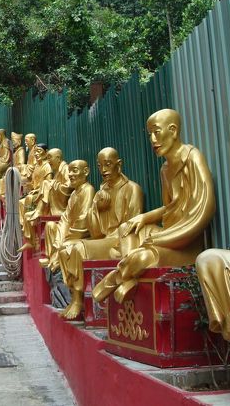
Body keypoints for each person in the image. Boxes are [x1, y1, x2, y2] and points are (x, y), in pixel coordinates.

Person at [93, 109, 216, 303]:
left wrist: (161, 239)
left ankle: (118, 277)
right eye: (149, 134)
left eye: (156, 132)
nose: (152, 139)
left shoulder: (192, 158)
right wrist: (144, 218)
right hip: (168, 233)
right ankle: (129, 277)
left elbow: (204, 209)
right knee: (127, 228)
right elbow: (169, 208)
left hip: (184, 242)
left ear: (173, 131)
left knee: (141, 257)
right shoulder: (165, 169)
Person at [56, 148, 143, 319]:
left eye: (108, 164)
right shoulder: (100, 193)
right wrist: (96, 208)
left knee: (78, 249)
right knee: (64, 248)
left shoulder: (132, 189)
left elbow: (131, 229)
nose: (103, 170)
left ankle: (78, 301)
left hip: (120, 241)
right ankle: (75, 298)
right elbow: (96, 234)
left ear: (119, 165)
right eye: (100, 166)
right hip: (104, 240)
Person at [40, 160, 94, 272]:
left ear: (86, 172)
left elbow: (83, 220)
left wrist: (65, 239)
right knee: (50, 226)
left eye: (74, 171)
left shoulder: (88, 190)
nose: (70, 175)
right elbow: (65, 219)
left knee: (65, 245)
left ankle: (56, 259)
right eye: (69, 171)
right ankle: (53, 257)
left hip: (79, 235)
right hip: (68, 233)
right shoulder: (74, 194)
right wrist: (60, 239)